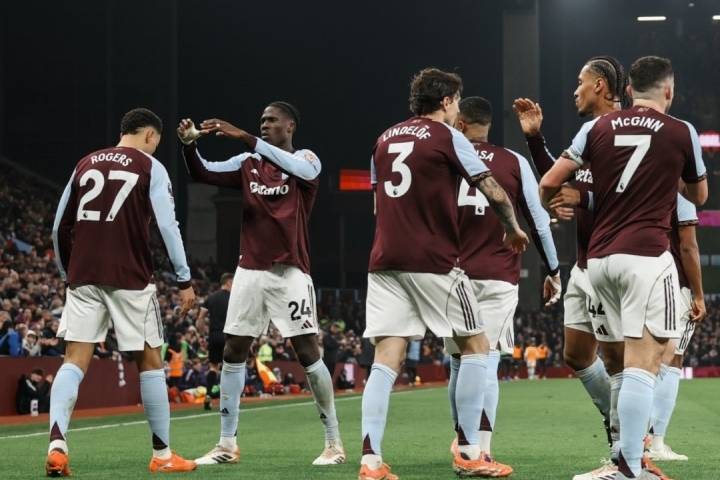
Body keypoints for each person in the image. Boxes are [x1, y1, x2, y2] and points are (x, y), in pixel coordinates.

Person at [539, 56, 708, 480]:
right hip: (647, 258)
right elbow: (699, 196)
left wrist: (552, 206)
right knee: (643, 364)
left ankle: (621, 459)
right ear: (669, 91)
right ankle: (631, 465)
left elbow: (549, 183)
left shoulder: (596, 128)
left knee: (617, 364)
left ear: (628, 91)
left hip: (597, 262)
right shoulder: (681, 131)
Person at [360, 67, 529, 480]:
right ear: (448, 101)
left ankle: (370, 462)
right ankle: (470, 453)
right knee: (477, 345)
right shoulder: (448, 136)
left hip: (384, 260)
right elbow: (491, 187)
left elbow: (378, 204)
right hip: (434, 260)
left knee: (386, 356)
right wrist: (512, 227)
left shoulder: (383, 139)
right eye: (456, 102)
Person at [177, 101, 344, 466]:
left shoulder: (306, 159)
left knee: (307, 352)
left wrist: (244, 136)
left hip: (290, 272)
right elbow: (203, 172)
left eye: (271, 120)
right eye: (261, 121)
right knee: (233, 349)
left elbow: (301, 169)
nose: (265, 124)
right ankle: (227, 444)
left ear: (290, 126)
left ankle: (334, 443)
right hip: (250, 270)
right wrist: (189, 145)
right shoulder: (247, 163)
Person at [49, 107, 197, 475]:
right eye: (156, 142)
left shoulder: (85, 163)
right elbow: (168, 225)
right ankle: (162, 455)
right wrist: (184, 279)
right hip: (131, 277)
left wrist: (68, 272)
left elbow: (59, 226)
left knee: (74, 360)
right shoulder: (150, 167)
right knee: (150, 361)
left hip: (83, 275)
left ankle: (56, 445)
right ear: (150, 135)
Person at [513, 55, 629, 479]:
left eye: (580, 82)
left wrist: (584, 199)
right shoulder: (591, 132)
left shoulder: (624, 130)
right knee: (577, 354)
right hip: (583, 261)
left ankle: (625, 452)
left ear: (599, 85)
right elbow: (563, 182)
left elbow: (631, 193)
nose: (574, 90)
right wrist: (535, 139)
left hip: (612, 258)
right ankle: (621, 426)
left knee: (616, 360)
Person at [445, 96, 561, 475]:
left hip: (451, 274)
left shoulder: (446, 159)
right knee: (487, 358)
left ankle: (463, 441)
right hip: (497, 275)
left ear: (460, 124)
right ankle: (478, 450)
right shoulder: (513, 161)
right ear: (488, 126)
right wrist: (553, 269)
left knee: (459, 361)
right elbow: (538, 221)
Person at [647, 194, 706, 461]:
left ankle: (634, 440)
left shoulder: (643, 184)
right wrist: (699, 295)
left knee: (641, 358)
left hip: (638, 277)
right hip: (673, 282)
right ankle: (655, 442)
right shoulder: (681, 195)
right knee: (672, 359)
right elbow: (688, 247)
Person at [202, 272, 233, 410]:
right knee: (229, 367)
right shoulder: (234, 298)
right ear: (228, 282)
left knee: (213, 367)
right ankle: (227, 399)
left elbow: (200, 318)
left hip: (214, 335)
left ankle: (208, 395)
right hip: (229, 337)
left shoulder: (211, 298)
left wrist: (203, 334)